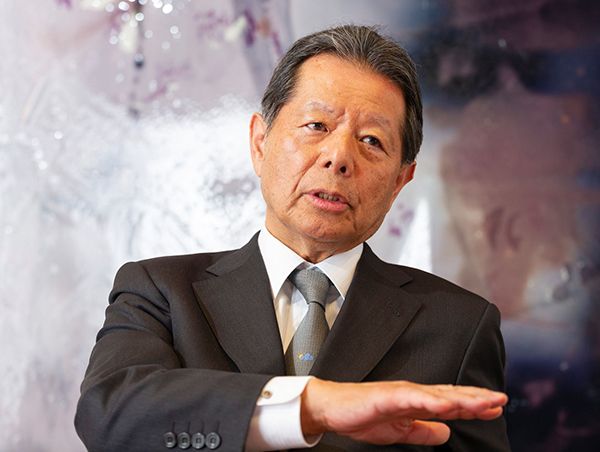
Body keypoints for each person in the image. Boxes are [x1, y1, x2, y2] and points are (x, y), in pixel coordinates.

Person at [75, 25, 510, 451]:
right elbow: (110, 414)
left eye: (371, 140)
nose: (338, 157)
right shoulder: (161, 292)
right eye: (317, 125)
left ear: (400, 181)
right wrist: (309, 406)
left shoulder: (460, 327)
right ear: (260, 143)